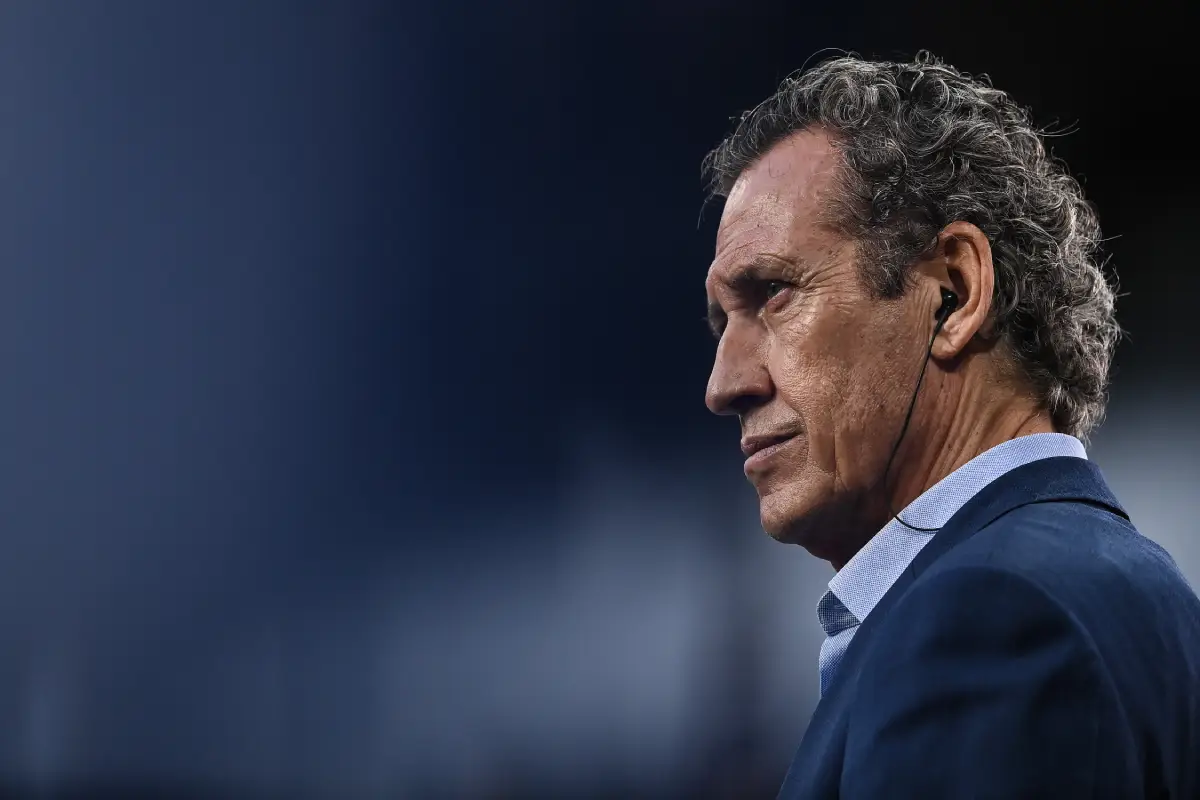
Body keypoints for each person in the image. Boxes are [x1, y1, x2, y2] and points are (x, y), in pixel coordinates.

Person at [702, 51, 1200, 799]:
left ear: (954, 294)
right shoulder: (1138, 593)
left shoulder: (988, 616)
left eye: (773, 292)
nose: (724, 385)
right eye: (721, 324)